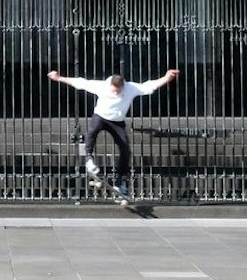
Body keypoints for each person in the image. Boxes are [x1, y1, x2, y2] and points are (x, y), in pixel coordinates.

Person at [45, 67, 180, 198]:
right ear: (110, 85)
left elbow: (149, 86)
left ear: (123, 87)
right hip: (101, 117)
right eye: (113, 90)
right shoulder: (101, 86)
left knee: (125, 149)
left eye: (118, 91)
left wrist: (167, 78)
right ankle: (88, 159)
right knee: (91, 133)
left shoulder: (131, 88)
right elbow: (80, 83)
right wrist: (59, 78)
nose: (116, 93)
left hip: (117, 122)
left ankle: (121, 181)